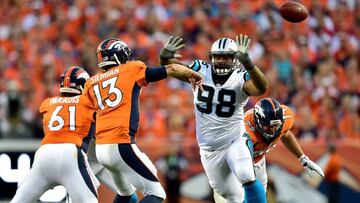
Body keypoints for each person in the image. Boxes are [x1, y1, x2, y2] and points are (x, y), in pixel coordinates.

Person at [83, 38, 204, 203]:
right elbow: (171, 68)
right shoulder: (130, 69)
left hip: (101, 149)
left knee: (126, 194)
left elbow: (87, 116)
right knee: (156, 193)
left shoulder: (91, 82)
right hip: (121, 144)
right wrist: (194, 74)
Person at [159, 35, 269, 203]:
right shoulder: (199, 70)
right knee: (232, 197)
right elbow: (171, 68)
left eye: (226, 56)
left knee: (246, 174)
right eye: (218, 56)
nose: (221, 60)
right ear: (211, 57)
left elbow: (262, 88)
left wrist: (249, 64)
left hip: (235, 140)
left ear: (235, 59)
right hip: (209, 149)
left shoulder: (241, 77)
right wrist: (164, 57)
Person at [11, 66, 99, 203]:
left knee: (18, 201)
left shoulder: (47, 103)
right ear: (83, 85)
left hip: (44, 153)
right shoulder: (89, 103)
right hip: (71, 154)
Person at [213, 98, 325, 203]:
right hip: (230, 167)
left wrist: (303, 158)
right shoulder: (243, 132)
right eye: (267, 126)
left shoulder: (285, 118)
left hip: (258, 161)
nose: (272, 131)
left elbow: (285, 134)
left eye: (275, 126)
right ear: (257, 122)